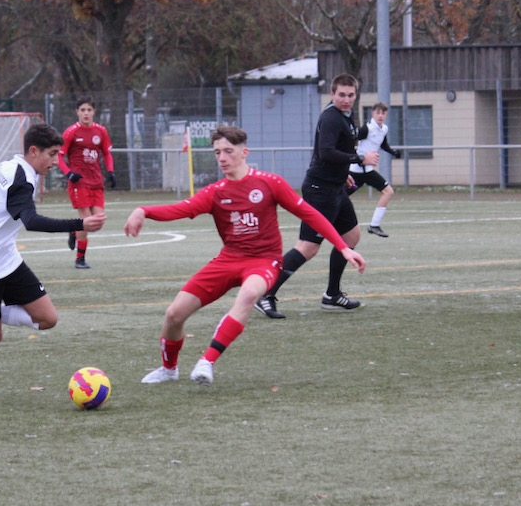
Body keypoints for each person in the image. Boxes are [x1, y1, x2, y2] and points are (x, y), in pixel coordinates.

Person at [125, 125, 365, 386]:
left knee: (250, 294)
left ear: (244, 152)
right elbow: (180, 209)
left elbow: (309, 214)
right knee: (174, 315)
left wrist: (343, 247)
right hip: (229, 259)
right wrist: (144, 210)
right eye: (217, 152)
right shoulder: (215, 192)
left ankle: (207, 361)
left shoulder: (269, 183)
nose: (222, 158)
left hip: (265, 261)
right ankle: (168, 369)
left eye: (228, 151)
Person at [0, 122, 106, 403]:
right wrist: (79, 224)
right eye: (52, 154)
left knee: (47, 319)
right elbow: (32, 221)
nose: (56, 161)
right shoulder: (21, 180)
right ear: (33, 151)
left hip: (6, 258)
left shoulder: (10, 166)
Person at [255, 73, 377, 320]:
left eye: (350, 95)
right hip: (320, 190)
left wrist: (343, 174)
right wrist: (359, 160)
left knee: (351, 236)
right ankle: (265, 294)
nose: (346, 99)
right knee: (308, 247)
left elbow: (339, 150)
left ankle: (332, 295)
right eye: (341, 95)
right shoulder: (331, 117)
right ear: (332, 95)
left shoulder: (346, 116)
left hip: (336, 188)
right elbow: (326, 153)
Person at [58, 95, 115, 269]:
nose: (86, 113)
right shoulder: (71, 132)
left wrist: (111, 172)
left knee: (97, 222)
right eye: (82, 110)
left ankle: (74, 231)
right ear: (77, 112)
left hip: (96, 182)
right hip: (79, 183)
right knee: (86, 220)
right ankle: (80, 259)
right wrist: (69, 173)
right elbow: (59, 156)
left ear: (94, 112)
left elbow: (106, 153)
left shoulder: (101, 131)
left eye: (89, 110)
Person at [350, 102, 401, 238]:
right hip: (356, 171)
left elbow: (383, 144)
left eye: (383, 113)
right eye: (378, 113)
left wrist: (393, 152)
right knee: (339, 196)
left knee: (388, 191)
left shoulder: (383, 129)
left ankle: (374, 225)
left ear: (386, 115)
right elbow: (352, 139)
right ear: (372, 114)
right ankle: (322, 219)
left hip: (368, 171)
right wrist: (355, 157)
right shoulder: (367, 128)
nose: (380, 115)